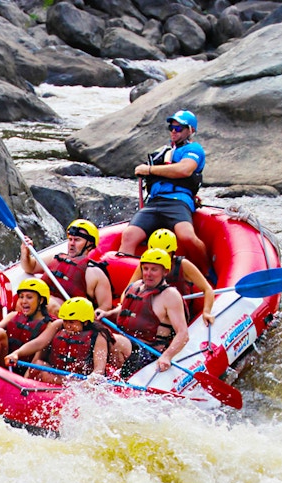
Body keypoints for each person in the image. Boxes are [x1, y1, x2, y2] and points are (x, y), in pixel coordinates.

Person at [118, 110, 211, 275]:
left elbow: (185, 170)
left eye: (179, 128)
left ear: (190, 130)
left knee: (186, 236)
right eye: (172, 127)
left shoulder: (194, 149)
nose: (174, 131)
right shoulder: (164, 152)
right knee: (129, 235)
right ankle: (126, 282)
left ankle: (206, 272)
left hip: (178, 201)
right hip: (155, 202)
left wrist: (149, 169)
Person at [96, 248, 189, 378]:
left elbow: (183, 334)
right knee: (92, 331)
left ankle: (96, 377)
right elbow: (125, 310)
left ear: (165, 272)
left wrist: (166, 357)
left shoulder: (170, 296)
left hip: (148, 353)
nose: (148, 274)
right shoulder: (136, 286)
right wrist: (107, 314)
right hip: (130, 344)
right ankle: (96, 373)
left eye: (154, 269)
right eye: (145, 269)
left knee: (105, 337)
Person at [10, 297, 129, 384]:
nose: (67, 325)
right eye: (65, 321)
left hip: (78, 381)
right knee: (37, 365)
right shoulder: (58, 325)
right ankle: (22, 385)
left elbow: (99, 369)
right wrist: (17, 353)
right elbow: (39, 342)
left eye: (72, 322)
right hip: (57, 374)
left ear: (85, 322)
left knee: (46, 374)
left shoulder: (98, 336)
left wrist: (88, 383)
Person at [20, 219, 112, 316]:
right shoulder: (56, 258)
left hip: (62, 318)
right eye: (70, 239)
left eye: (77, 240)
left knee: (50, 305)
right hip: (36, 307)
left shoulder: (96, 273)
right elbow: (30, 267)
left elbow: (105, 307)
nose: (71, 243)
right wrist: (25, 253)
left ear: (90, 244)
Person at [124, 228, 215, 326]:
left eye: (165, 254)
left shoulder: (184, 265)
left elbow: (207, 289)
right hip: (154, 313)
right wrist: (124, 305)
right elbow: (128, 291)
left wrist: (206, 312)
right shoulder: (145, 266)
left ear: (172, 252)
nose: (160, 258)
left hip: (180, 316)